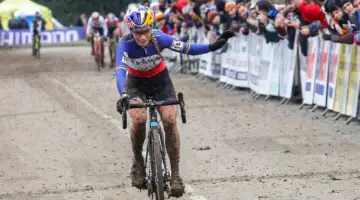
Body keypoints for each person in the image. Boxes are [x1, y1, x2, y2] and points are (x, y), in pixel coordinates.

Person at [115, 5, 235, 197]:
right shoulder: (125, 43)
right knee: (138, 118)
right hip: (135, 83)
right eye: (137, 33)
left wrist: (213, 46)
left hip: (160, 81)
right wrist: (123, 94)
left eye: (146, 31)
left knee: (170, 119)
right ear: (131, 31)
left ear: (151, 27)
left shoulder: (159, 38)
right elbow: (120, 70)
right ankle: (138, 161)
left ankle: (176, 174)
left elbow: (187, 48)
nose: (143, 37)